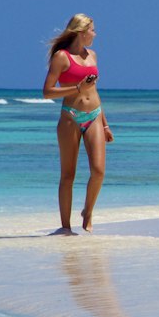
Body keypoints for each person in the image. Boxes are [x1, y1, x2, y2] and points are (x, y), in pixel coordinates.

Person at [42, 13, 114, 233]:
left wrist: (105, 124)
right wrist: (77, 89)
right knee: (68, 175)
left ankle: (87, 211)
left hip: (94, 115)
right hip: (70, 117)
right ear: (82, 32)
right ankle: (65, 228)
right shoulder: (61, 57)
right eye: (92, 30)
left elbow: (94, 91)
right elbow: (47, 92)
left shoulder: (93, 55)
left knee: (99, 171)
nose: (95, 33)